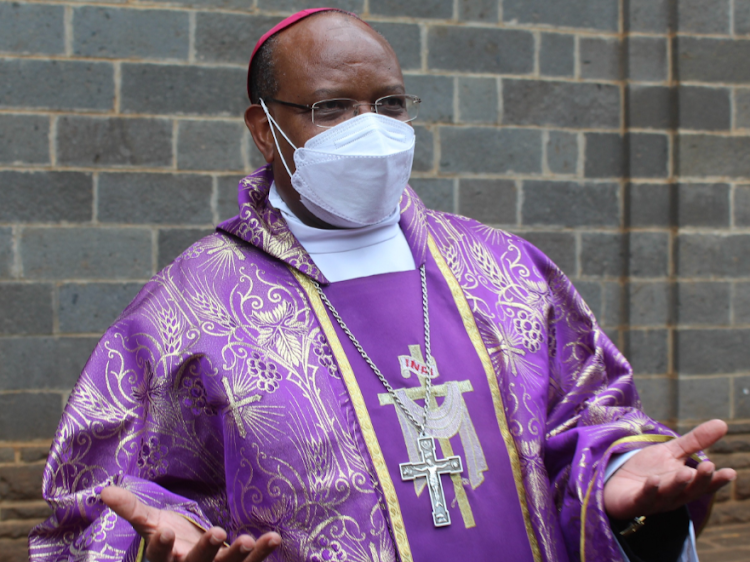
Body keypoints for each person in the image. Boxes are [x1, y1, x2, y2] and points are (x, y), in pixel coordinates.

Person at [29, 8, 735, 562]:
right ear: (265, 129)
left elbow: (588, 420)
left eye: (391, 105)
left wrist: (616, 477)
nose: (371, 130)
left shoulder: (507, 271)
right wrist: (153, 547)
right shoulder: (184, 311)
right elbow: (100, 497)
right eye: (332, 108)